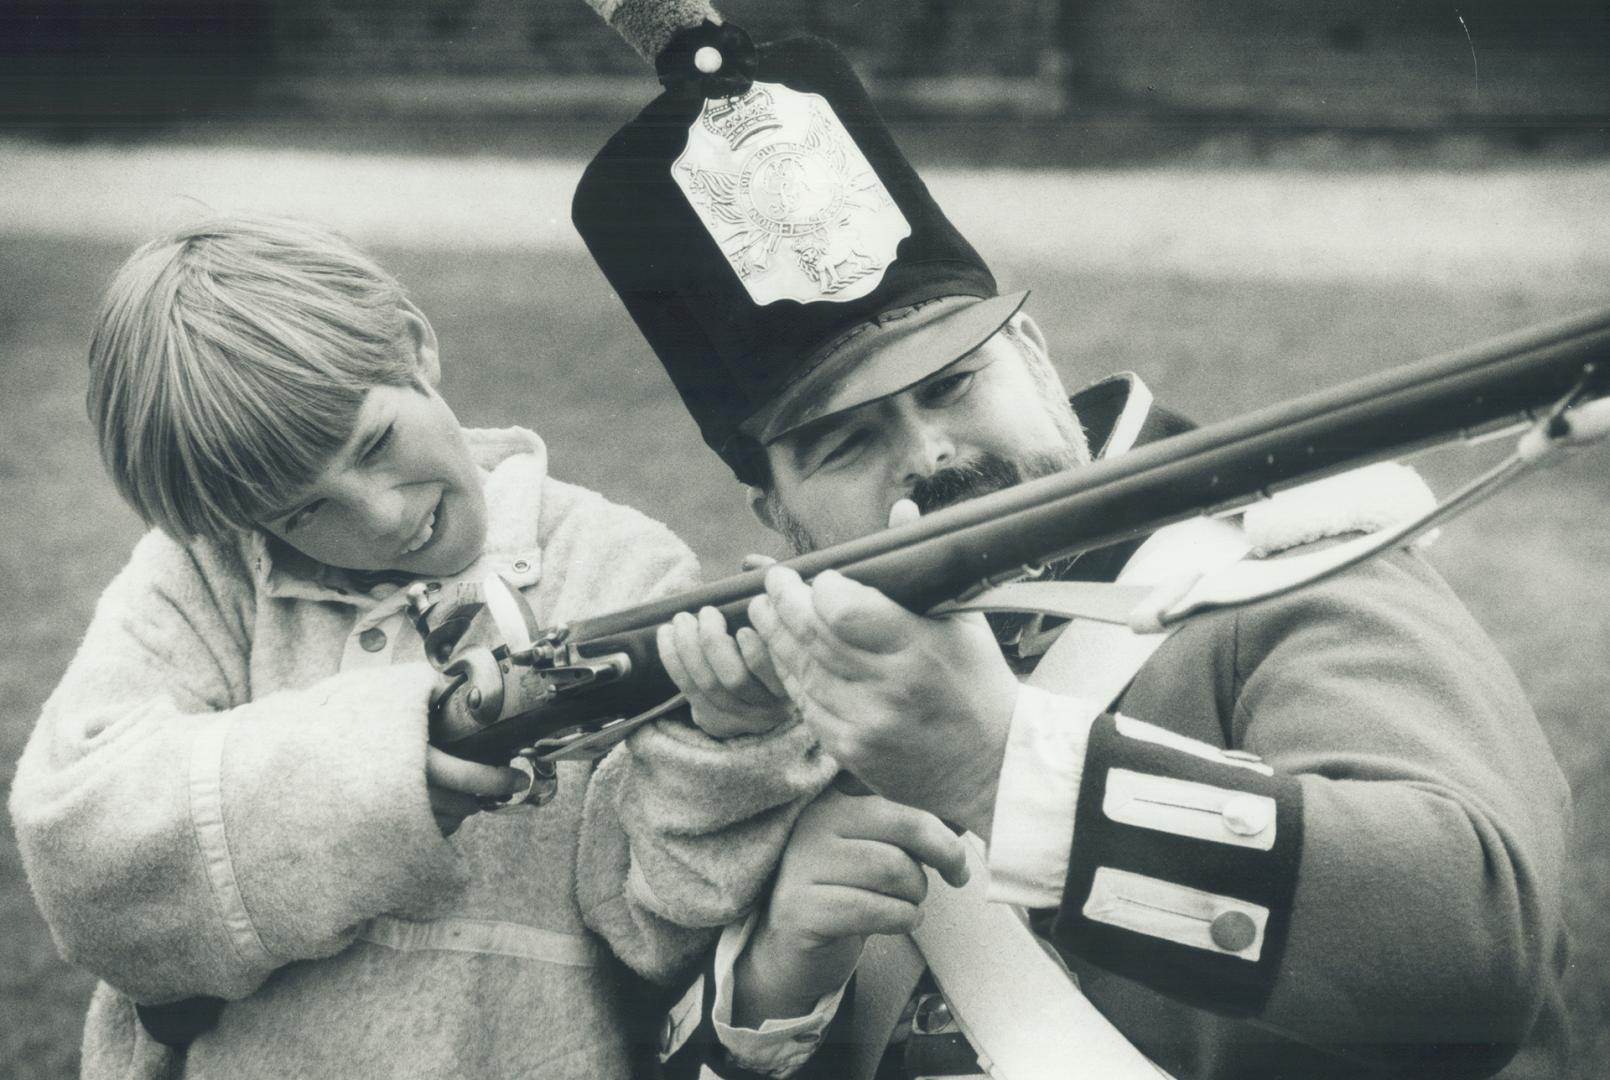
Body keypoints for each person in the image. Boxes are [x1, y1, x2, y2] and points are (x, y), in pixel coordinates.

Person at [571, 17, 1573, 1080]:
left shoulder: (1286, 564)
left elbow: (1474, 954)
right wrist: (776, 986)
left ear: (1032, 357)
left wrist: (996, 766)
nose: (932, 457)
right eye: (844, 443)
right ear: (778, 517)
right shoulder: (798, 709)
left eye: (953, 383)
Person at [6, 214, 855, 1079]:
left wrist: (727, 739)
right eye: (303, 512)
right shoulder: (206, 577)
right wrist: (368, 772)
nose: (380, 516)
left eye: (373, 443)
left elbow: (659, 934)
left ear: (412, 348)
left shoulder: (620, 567)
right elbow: (80, 847)